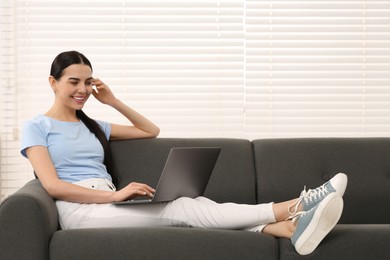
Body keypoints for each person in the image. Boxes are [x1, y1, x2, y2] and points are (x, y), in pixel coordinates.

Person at [20, 50, 348, 256]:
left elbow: (150, 131)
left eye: (88, 83)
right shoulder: (37, 127)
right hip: (81, 212)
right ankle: (298, 205)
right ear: (53, 82)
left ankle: (290, 230)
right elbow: (52, 186)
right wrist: (117, 197)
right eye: (73, 82)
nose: (82, 90)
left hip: (109, 202)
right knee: (184, 209)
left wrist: (112, 101)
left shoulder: (95, 125)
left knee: (194, 210)